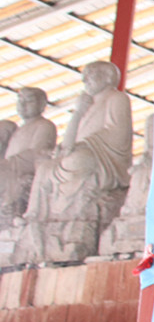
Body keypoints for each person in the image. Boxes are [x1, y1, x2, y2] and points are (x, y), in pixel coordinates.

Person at [26, 62, 132, 224]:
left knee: (76, 161)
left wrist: (86, 144)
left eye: (91, 75)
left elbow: (119, 134)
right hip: (83, 152)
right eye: (84, 77)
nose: (85, 80)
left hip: (103, 157)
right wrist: (78, 112)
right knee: (44, 168)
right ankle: (34, 215)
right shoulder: (88, 103)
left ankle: (67, 211)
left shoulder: (117, 98)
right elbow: (70, 141)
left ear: (108, 77)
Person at [0, 87, 57, 222]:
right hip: (11, 169)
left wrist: (11, 163)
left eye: (29, 101)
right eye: (20, 101)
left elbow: (39, 153)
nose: (23, 105)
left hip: (22, 169)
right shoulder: (18, 130)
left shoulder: (45, 125)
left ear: (42, 104)